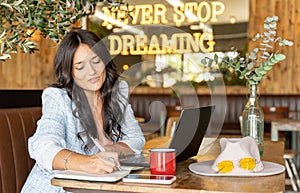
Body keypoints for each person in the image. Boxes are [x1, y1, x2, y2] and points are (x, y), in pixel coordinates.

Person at [21, 29, 145, 192]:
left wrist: (111, 151)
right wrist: (88, 162)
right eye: (80, 67)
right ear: (70, 72)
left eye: (96, 61)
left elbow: (136, 139)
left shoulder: (117, 91)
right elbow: (44, 147)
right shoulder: (58, 97)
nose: (92, 72)